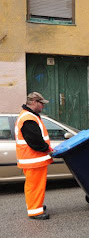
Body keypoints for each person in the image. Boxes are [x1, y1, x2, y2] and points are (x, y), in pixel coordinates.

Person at [15, 92, 53, 220]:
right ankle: (35, 211)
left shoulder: (28, 116)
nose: (43, 106)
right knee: (35, 186)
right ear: (35, 102)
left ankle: (36, 205)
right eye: (41, 103)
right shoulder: (28, 119)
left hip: (32, 159)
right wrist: (47, 149)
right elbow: (35, 141)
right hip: (34, 159)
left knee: (34, 185)